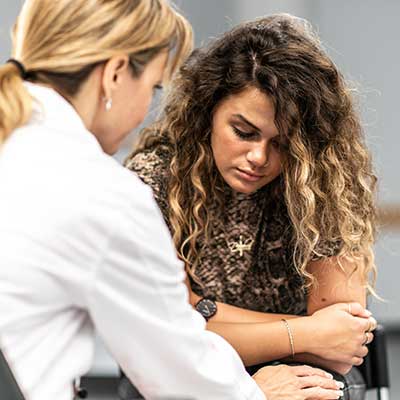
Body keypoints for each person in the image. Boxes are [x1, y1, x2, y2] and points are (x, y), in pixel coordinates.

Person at [0, 2, 350, 400]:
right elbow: (180, 374)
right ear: (115, 75)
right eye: (152, 87)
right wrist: (257, 391)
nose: (149, 107)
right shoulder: (101, 193)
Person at [123, 13, 378, 400]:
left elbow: (341, 345)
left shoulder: (327, 180)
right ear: (208, 112)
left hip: (308, 375)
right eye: (243, 132)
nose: (258, 157)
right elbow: (161, 339)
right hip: (184, 376)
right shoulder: (155, 178)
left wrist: (202, 312)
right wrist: (307, 331)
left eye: (282, 143)